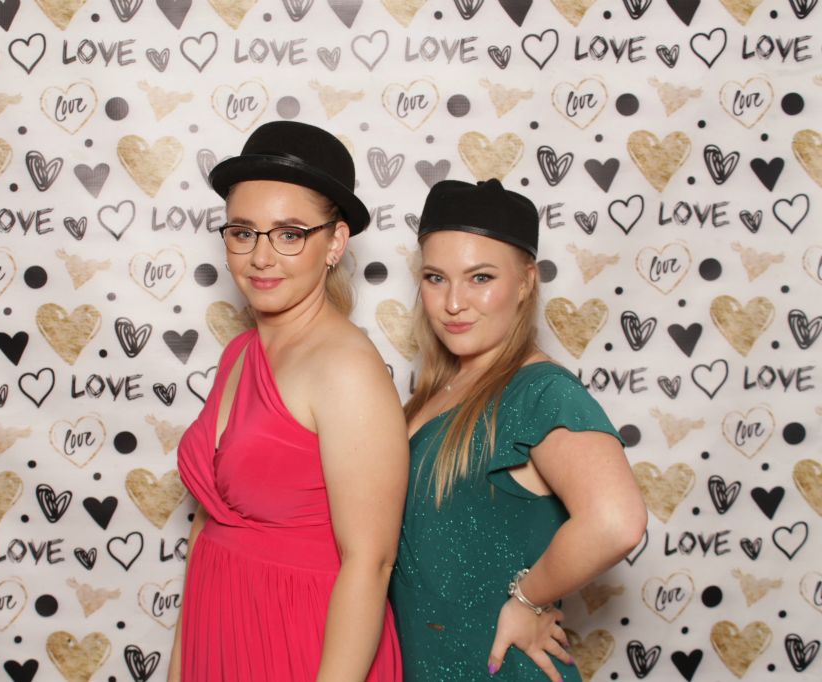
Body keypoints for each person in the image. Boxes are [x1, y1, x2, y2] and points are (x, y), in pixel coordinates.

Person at [169, 121, 407, 681]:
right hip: (220, 626)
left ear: (335, 243)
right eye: (243, 232)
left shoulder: (346, 368)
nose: (260, 256)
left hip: (307, 644)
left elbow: (370, 563)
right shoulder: (239, 353)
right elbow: (208, 522)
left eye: (290, 234)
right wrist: (182, 665)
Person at [389, 179, 648, 681]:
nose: (453, 302)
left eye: (480, 277)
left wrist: (528, 600)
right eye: (436, 278)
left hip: (496, 667)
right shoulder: (437, 390)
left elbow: (617, 521)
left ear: (526, 282)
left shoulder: (540, 391)